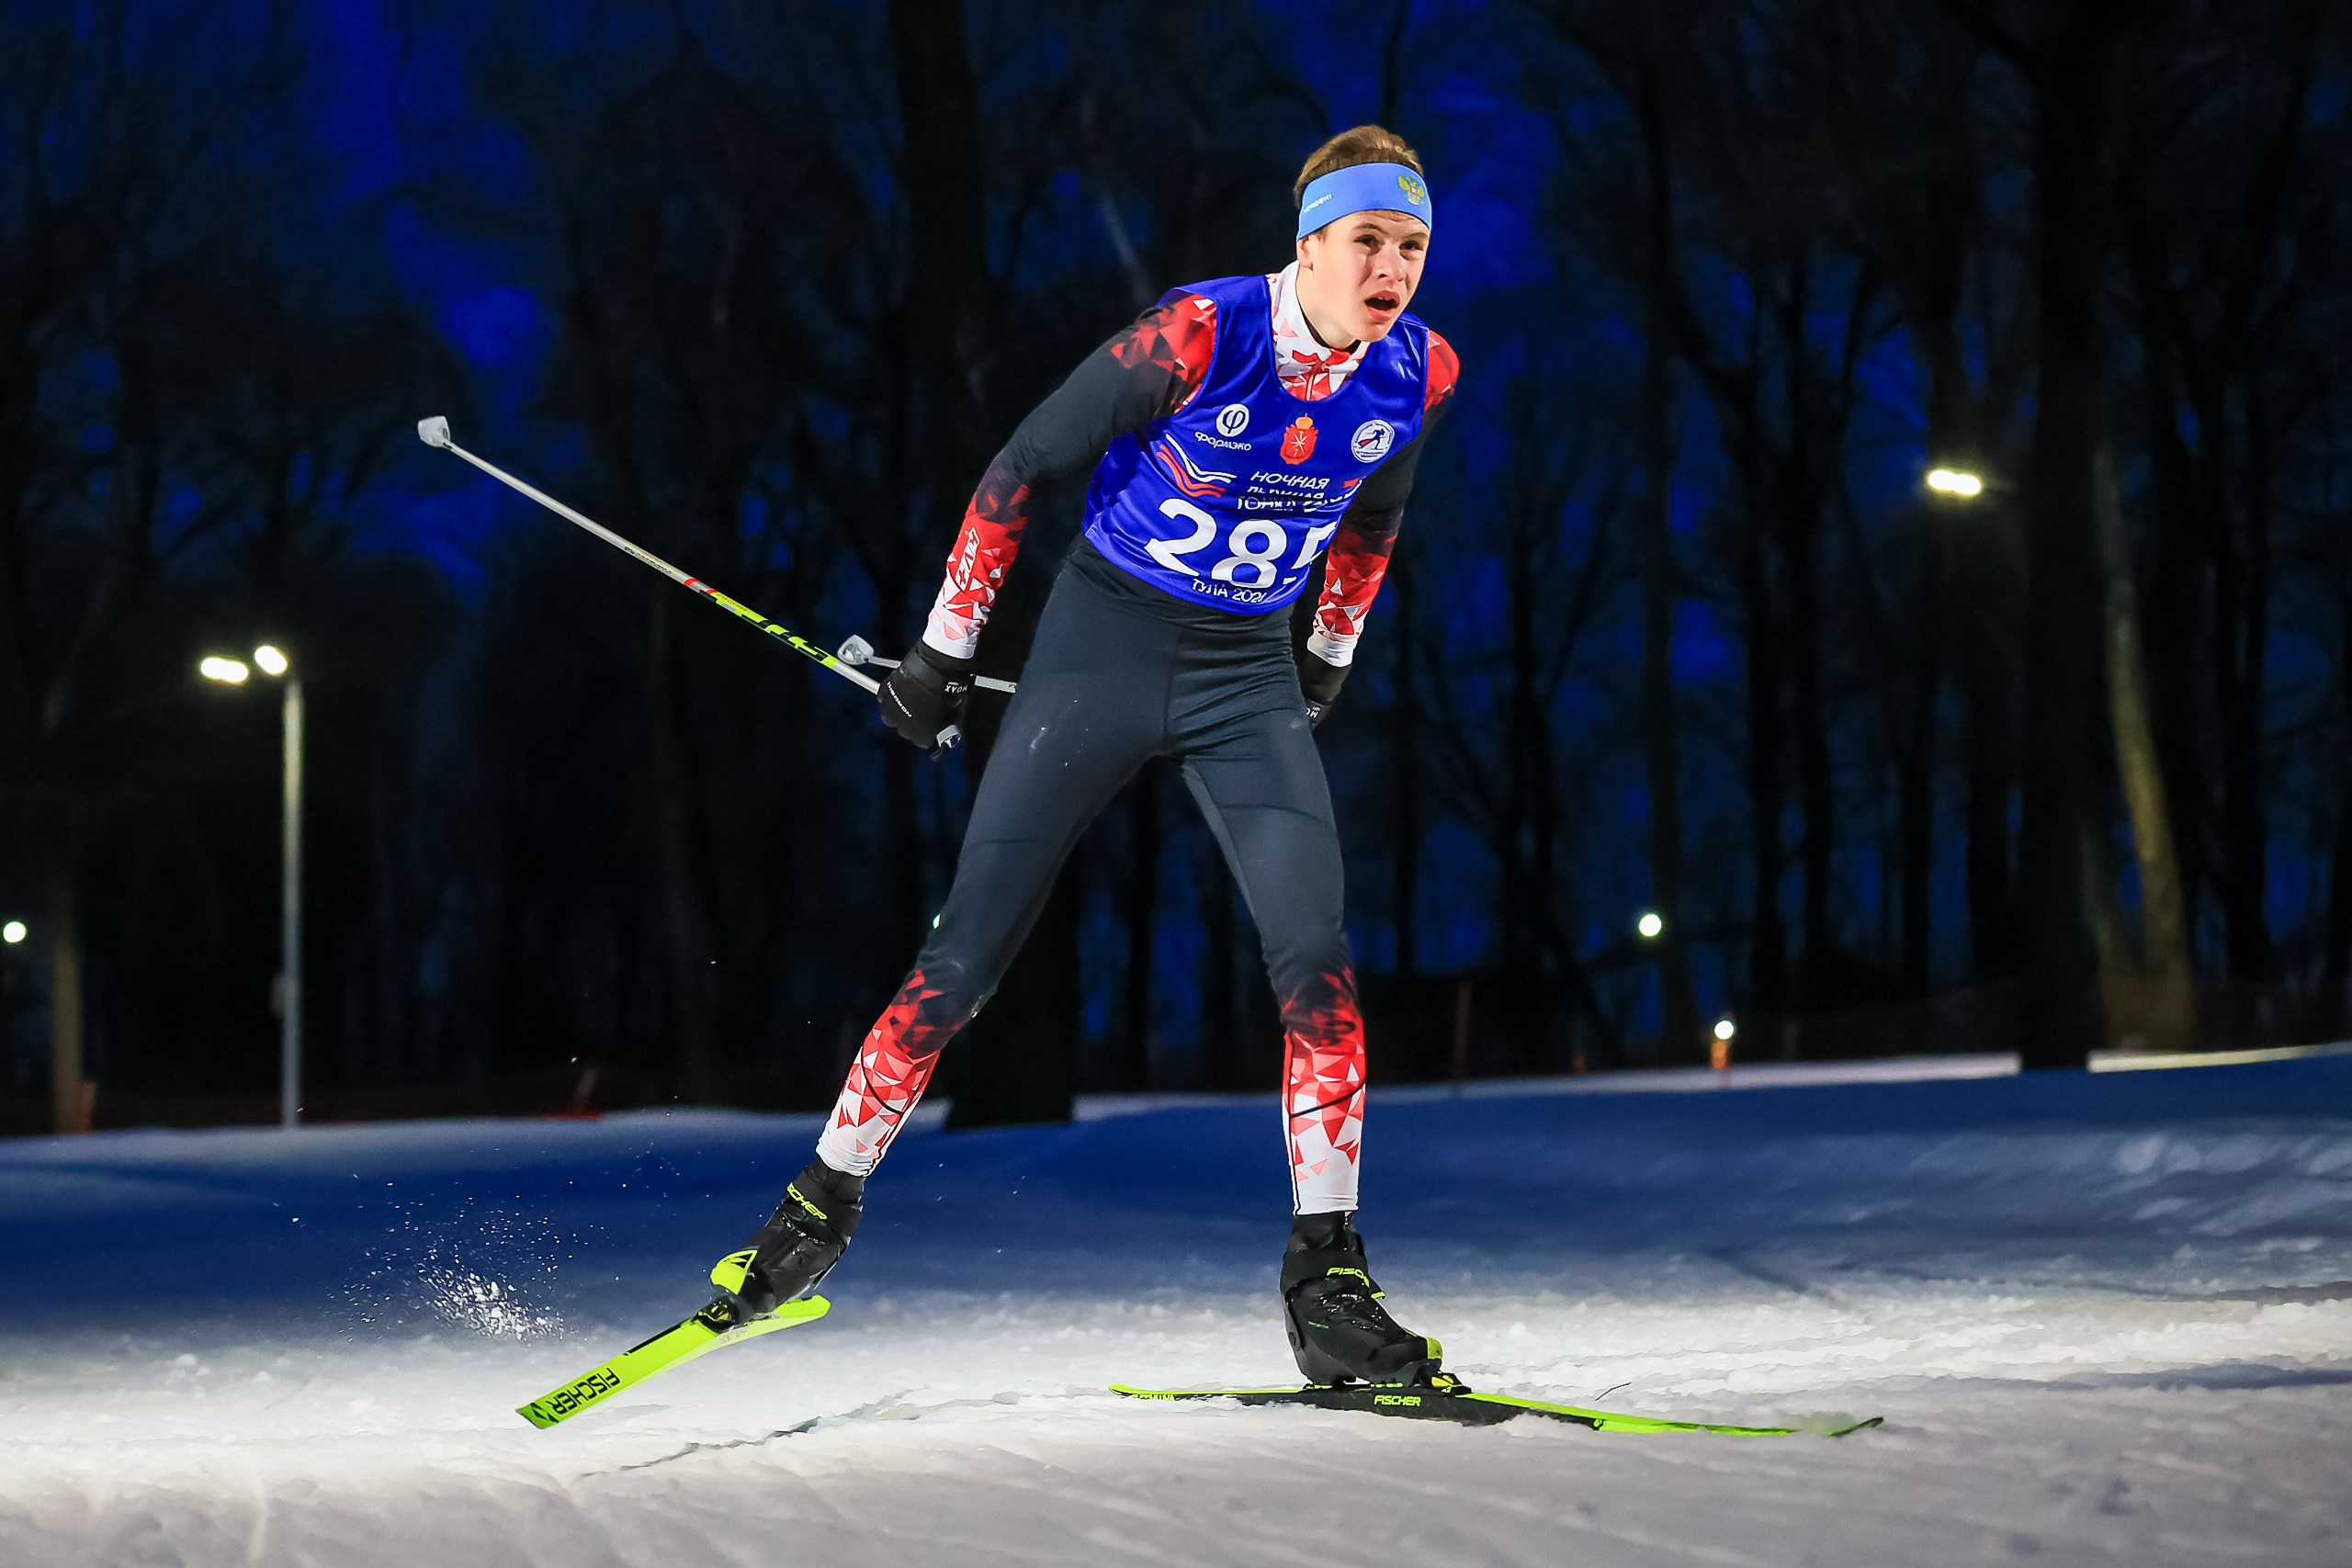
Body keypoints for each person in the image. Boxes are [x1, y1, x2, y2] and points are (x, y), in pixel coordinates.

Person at [712, 126, 1460, 1388]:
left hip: (1244, 674)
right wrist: (943, 656)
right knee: (964, 964)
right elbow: (1021, 469)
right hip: (1099, 650)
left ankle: (1327, 1283)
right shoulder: (1197, 336)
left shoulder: (1420, 373)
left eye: (1414, 247)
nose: (1392, 269)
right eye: (1369, 242)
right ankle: (810, 1215)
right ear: (1311, 243)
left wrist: (1327, 653)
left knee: (1315, 962)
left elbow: (1376, 513)